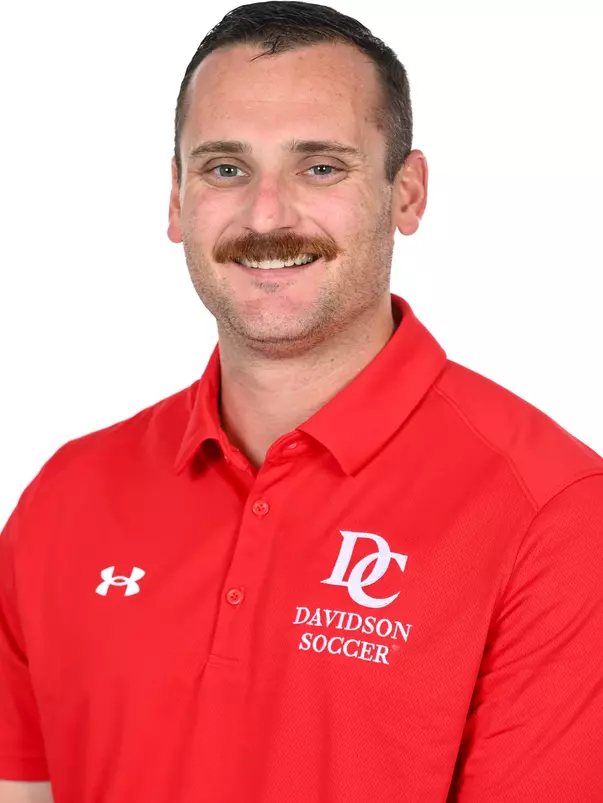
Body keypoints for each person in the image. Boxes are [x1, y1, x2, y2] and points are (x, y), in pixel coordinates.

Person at [1, 2, 602, 801]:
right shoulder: (66, 497)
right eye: (225, 168)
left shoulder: (554, 515)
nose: (265, 214)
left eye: (320, 167)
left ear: (407, 194)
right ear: (176, 200)